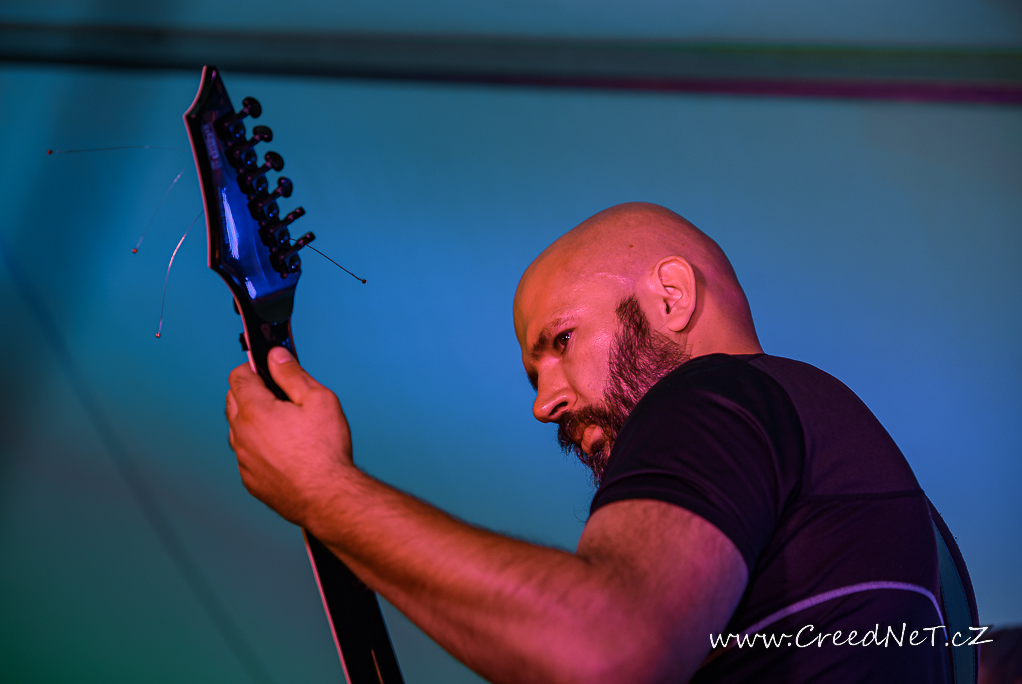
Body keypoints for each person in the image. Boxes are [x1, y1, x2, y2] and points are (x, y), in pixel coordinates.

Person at [227, 202, 970, 683]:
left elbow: (606, 651)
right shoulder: (904, 526)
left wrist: (323, 489)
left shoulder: (716, 393)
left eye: (561, 341)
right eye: (533, 375)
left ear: (671, 297)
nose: (543, 404)